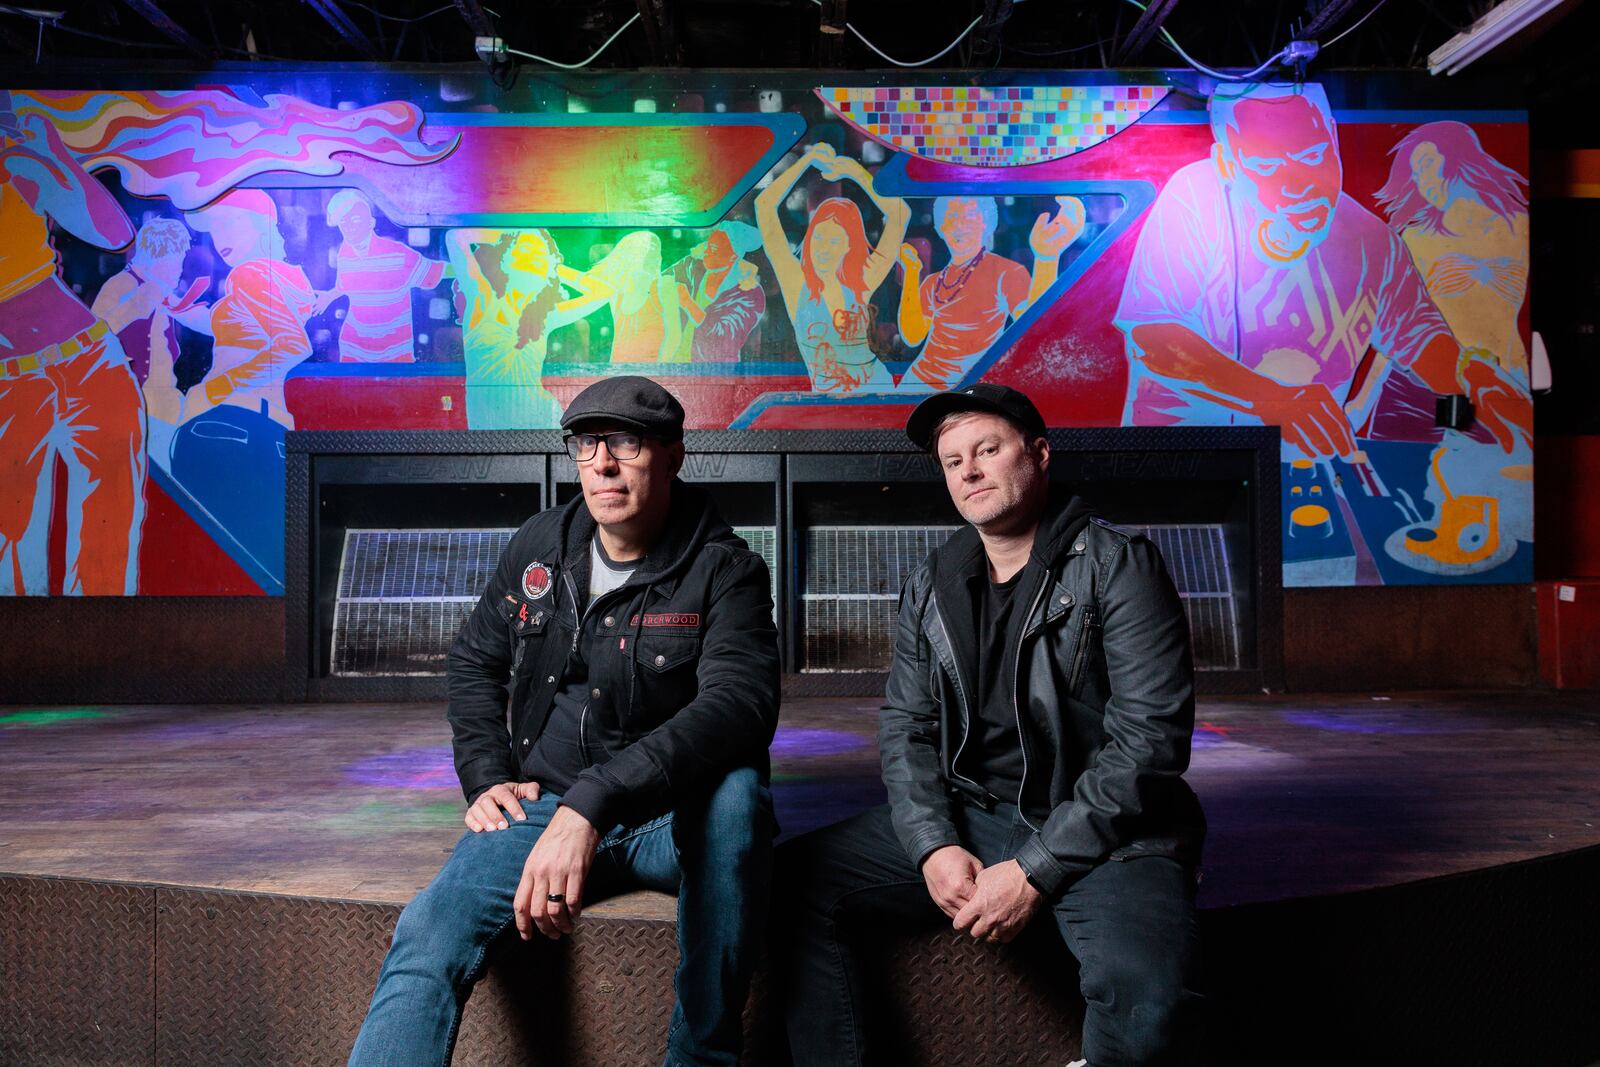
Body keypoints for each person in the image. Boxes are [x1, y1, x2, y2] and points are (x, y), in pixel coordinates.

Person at [350, 375, 782, 1067]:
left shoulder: (726, 570)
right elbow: (473, 661)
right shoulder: (542, 545)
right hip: (546, 804)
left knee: (737, 798)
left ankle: (702, 1058)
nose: (604, 463)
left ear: (672, 455)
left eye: (628, 443)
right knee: (429, 927)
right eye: (588, 443)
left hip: (670, 816)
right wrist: (487, 774)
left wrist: (591, 806)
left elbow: (740, 708)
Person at [775, 383, 1205, 1067]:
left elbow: (1149, 744)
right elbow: (907, 727)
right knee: (789, 882)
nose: (968, 470)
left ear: (1037, 453)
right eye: (952, 461)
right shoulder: (933, 581)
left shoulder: (1117, 566)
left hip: (1106, 831)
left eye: (987, 449)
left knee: (1144, 992)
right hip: (975, 813)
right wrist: (929, 843)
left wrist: (1034, 869)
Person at [1114, 80, 1529, 461]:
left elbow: (1419, 335)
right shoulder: (1192, 197)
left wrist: (1473, 377)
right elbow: (1156, 338)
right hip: (1178, 464)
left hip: (1304, 473)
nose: (1298, 183)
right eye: (1266, 165)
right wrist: (1272, 400)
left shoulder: (1373, 241)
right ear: (1226, 162)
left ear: (1333, 135)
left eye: (1312, 155)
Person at [1, 89, 145, 596]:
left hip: (90, 361)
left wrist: (55, 159)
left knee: (110, 545)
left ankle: (108, 663)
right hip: (10, 385)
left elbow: (113, 235)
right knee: (11, 565)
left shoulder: (14, 164)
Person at [755, 142, 910, 394]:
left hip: (875, 393)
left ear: (849, 246)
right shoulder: (796, 282)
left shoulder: (861, 281)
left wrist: (856, 172)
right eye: (819, 237)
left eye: (835, 240)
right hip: (828, 405)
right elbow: (764, 206)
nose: (824, 248)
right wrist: (806, 161)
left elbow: (901, 214)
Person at [896, 194, 1086, 392]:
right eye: (951, 216)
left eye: (969, 215)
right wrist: (911, 271)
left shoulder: (1006, 272)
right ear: (940, 227)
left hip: (970, 390)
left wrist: (1047, 258)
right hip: (917, 385)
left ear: (987, 223)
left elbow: (1034, 330)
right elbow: (912, 336)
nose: (959, 224)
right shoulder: (932, 282)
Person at [445, 227, 613, 428]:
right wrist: (507, 236)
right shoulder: (483, 300)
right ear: (506, 259)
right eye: (526, 249)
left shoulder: (545, 315)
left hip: (540, 420)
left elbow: (603, 292)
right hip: (490, 426)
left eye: (541, 253)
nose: (534, 256)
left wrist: (554, 267)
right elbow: (455, 237)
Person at [325, 189, 448, 363]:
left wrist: (471, 267)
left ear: (370, 223)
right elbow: (344, 286)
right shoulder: (344, 254)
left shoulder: (397, 254)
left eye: (356, 220)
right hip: (353, 352)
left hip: (394, 355)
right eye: (344, 222)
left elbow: (436, 273)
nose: (350, 227)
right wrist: (329, 296)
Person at [669, 221, 767, 362]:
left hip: (715, 372)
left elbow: (721, 340)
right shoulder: (694, 267)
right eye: (707, 246)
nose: (706, 252)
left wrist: (687, 303)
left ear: (733, 256)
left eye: (713, 249)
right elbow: (661, 278)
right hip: (677, 365)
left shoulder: (750, 294)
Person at [589, 230, 681, 362]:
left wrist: (659, 371)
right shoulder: (617, 294)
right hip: (619, 374)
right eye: (649, 249)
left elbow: (674, 337)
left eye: (657, 250)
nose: (656, 256)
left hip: (651, 376)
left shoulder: (664, 285)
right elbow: (618, 342)